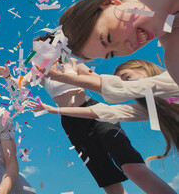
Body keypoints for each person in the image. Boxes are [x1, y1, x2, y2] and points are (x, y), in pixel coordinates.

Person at [0, 35, 174, 194]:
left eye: (42, 46)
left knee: (128, 162)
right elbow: (18, 86)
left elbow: (97, 81)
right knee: (107, 179)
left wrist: (130, 84)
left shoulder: (72, 63)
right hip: (71, 122)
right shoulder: (40, 72)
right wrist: (7, 76)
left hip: (95, 112)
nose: (37, 51)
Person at [30, 59, 179, 169]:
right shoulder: (151, 110)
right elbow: (105, 112)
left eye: (127, 77)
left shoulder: (172, 77)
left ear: (145, 67)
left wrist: (59, 77)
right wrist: (54, 110)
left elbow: (121, 89)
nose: (127, 84)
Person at [59, 0, 179, 85]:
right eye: (112, 53)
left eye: (108, 37)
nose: (126, 48)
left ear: (110, 3)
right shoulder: (175, 57)